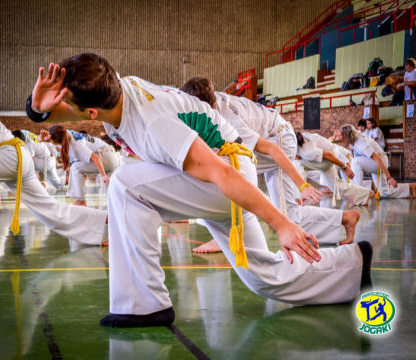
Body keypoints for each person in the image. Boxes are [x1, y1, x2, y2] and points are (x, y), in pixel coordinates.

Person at [27, 53, 372, 328]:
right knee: (262, 277)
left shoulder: (153, 124)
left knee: (126, 185)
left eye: (64, 101)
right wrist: (37, 107)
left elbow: (220, 172)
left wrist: (281, 223)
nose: (61, 107)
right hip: (225, 172)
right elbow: (59, 109)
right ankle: (352, 265)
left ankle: (145, 305)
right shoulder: (118, 89)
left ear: (89, 111)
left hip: (228, 175)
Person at [181, 77, 362, 253]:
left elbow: (271, 149)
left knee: (231, 176)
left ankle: (225, 236)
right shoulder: (206, 99)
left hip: (280, 138)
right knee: (283, 210)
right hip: (273, 134)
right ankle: (345, 218)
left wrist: (303, 185)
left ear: (209, 106)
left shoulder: (229, 119)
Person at [0, 118, 107, 244]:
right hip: (22, 157)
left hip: (20, 159)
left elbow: (95, 157)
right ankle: (106, 219)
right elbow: (37, 144)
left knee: (58, 183)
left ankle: (68, 180)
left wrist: (42, 179)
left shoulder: (74, 142)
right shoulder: (24, 136)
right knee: (53, 210)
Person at [40, 125, 119, 206]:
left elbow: (96, 158)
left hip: (105, 156)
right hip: (111, 156)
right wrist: (44, 139)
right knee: (110, 192)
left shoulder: (76, 145)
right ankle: (118, 205)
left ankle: (81, 201)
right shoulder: (66, 134)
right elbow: (84, 164)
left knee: (75, 167)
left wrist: (103, 176)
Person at [333, 125, 416, 199]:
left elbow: (378, 159)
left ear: (347, 136)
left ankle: (359, 194)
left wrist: (389, 178)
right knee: (384, 192)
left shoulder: (361, 144)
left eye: (342, 136)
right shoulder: (352, 139)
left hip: (380, 161)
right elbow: (344, 139)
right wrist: (335, 138)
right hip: (373, 162)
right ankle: (409, 188)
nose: (340, 138)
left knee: (355, 162)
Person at [296, 132, 374, 206]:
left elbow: (328, 155)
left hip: (329, 159)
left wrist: (345, 167)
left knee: (297, 164)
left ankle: (297, 198)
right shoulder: (299, 139)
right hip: (328, 157)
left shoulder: (307, 151)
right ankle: (365, 195)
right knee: (336, 187)